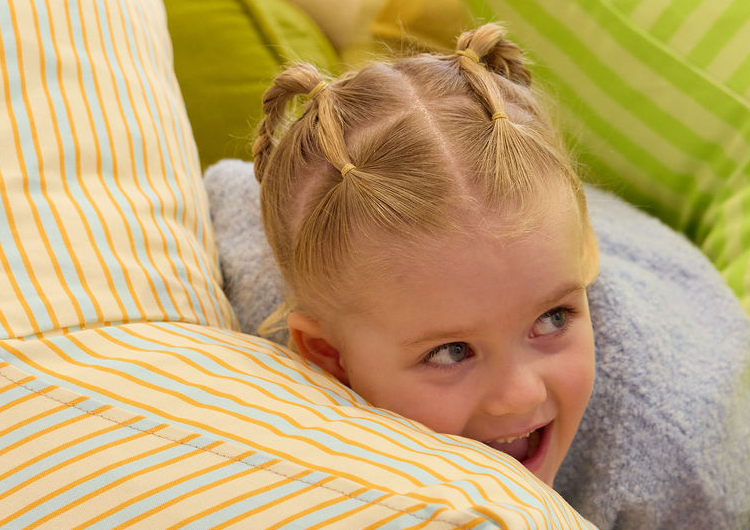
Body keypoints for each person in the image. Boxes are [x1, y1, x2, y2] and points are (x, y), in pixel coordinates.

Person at [251, 22, 598, 488]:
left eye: (554, 318)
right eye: (452, 352)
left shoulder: (667, 452)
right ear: (331, 356)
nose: (519, 395)